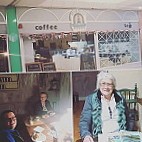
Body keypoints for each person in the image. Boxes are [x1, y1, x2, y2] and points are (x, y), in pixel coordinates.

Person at [79, 71, 134, 142]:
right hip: (101, 137)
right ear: (99, 85)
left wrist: (128, 133)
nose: (106, 87)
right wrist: (86, 135)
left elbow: (129, 118)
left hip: (120, 137)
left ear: (113, 86)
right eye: (103, 83)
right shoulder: (91, 99)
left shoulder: (120, 98)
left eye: (109, 84)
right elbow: (84, 121)